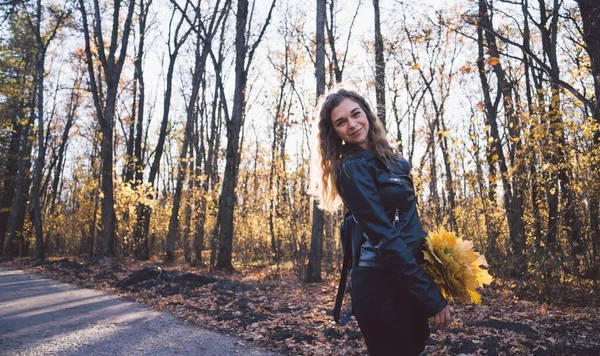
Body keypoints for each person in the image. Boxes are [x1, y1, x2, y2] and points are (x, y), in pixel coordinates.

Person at [310, 88, 452, 355]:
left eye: (355, 114)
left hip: (406, 276)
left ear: (366, 113)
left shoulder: (395, 163)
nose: (352, 125)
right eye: (341, 122)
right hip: (379, 282)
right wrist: (428, 294)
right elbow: (384, 236)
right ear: (334, 132)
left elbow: (408, 225)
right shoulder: (351, 168)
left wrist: (433, 266)